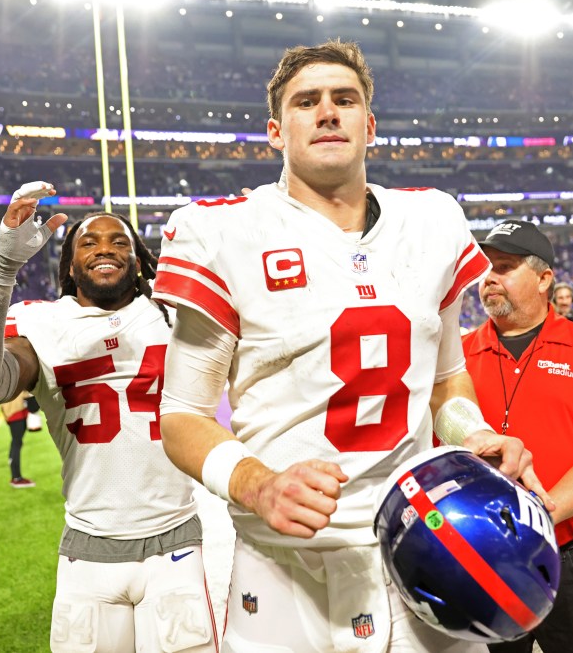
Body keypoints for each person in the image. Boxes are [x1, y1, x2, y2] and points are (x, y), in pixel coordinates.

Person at [153, 39, 549, 653]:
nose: (328, 112)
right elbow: (181, 416)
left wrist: (473, 433)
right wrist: (258, 483)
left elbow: (446, 380)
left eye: (345, 98)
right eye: (306, 102)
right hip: (286, 565)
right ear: (276, 131)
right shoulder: (223, 232)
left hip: (423, 547)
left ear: (369, 124)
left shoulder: (432, 222)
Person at [0, 186, 218, 653]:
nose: (106, 249)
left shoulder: (172, 314)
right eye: (89, 242)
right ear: (71, 266)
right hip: (89, 548)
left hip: (178, 541)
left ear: (137, 262)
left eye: (120, 242)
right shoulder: (42, 323)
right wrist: (1, 267)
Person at [462, 220, 573, 653]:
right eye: (486, 267)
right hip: (484, 561)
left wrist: (539, 517)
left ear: (544, 279)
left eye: (504, 266)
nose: (489, 277)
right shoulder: (460, 356)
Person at [0, 392, 35, 488]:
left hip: (12, 412)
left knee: (16, 443)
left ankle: (15, 475)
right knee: (16, 443)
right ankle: (16, 478)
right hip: (17, 412)